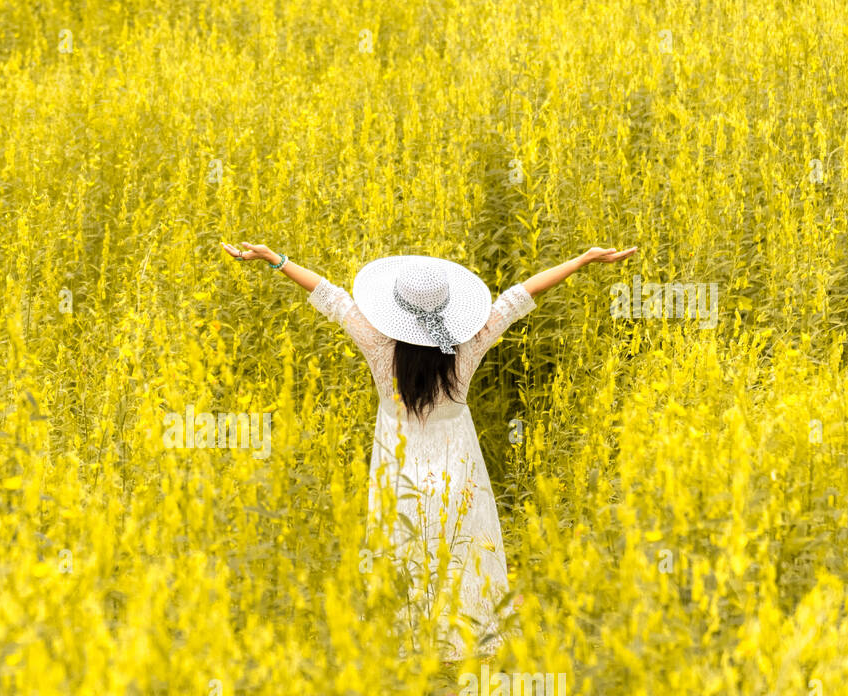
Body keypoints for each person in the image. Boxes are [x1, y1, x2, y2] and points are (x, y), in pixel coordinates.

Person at [221, 241, 636, 660]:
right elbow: (520, 296)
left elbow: (331, 296)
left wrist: (275, 258)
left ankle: (410, 643)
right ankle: (464, 638)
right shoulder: (469, 344)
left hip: (398, 465)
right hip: (458, 463)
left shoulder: (377, 343)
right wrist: (581, 259)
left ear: (396, 311)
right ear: (447, 309)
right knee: (461, 548)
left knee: (404, 550)